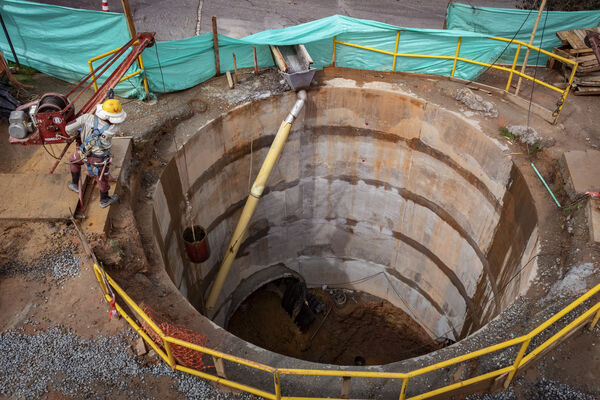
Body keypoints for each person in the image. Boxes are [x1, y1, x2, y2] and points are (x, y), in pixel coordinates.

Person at [65, 98, 125, 208]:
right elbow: (116, 120)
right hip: (99, 159)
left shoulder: (86, 118)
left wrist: (77, 132)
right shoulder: (113, 128)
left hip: (84, 153)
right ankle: (104, 199)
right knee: (101, 176)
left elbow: (68, 128)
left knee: (73, 160)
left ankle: (74, 184)